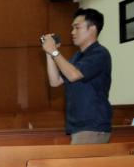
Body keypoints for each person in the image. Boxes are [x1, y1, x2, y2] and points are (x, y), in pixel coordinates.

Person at [41, 8, 112, 144]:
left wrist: (54, 51)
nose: (72, 32)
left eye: (77, 28)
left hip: (92, 126)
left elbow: (73, 75)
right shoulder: (78, 56)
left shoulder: (100, 54)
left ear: (92, 29)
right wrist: (49, 53)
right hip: (78, 127)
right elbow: (55, 81)